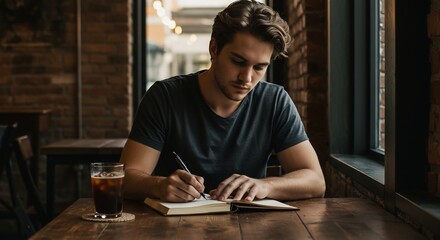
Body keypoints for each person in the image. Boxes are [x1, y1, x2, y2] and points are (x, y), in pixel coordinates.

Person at [120, 0, 326, 203]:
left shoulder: (274, 101)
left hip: (251, 229)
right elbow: (125, 178)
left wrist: (265, 185)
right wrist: (158, 186)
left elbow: (315, 181)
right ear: (214, 49)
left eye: (258, 68)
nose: (246, 78)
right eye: (238, 62)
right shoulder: (164, 97)